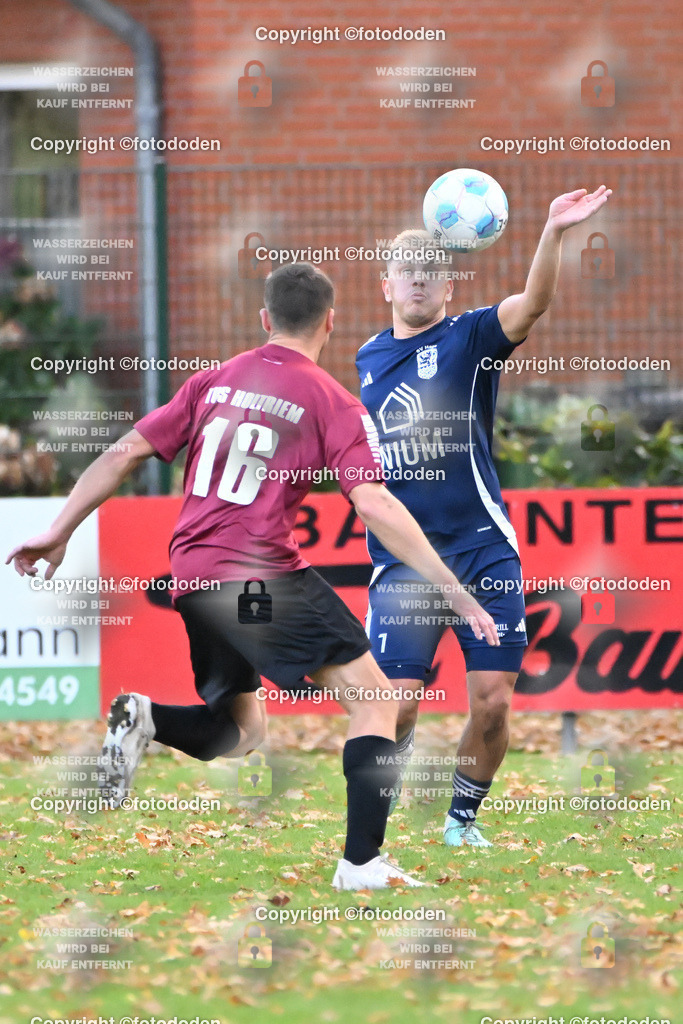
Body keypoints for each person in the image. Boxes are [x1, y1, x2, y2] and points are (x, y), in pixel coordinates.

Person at [7, 262, 499, 889]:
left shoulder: (212, 380)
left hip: (192, 575)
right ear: (330, 321)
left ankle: (148, 717)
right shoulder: (332, 400)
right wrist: (453, 589)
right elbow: (373, 502)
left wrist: (61, 529)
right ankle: (361, 864)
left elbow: (125, 450)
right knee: (377, 698)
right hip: (258, 573)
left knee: (239, 732)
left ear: (265, 320)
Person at [356, 186, 612, 846]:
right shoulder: (366, 358)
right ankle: (382, 798)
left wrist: (551, 232)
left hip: (480, 549)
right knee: (400, 703)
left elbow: (532, 305)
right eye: (407, 272)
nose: (419, 281)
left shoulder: (471, 336)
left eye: (432, 272)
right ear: (386, 285)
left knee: (494, 700)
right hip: (404, 561)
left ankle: (461, 817)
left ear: (448, 285)